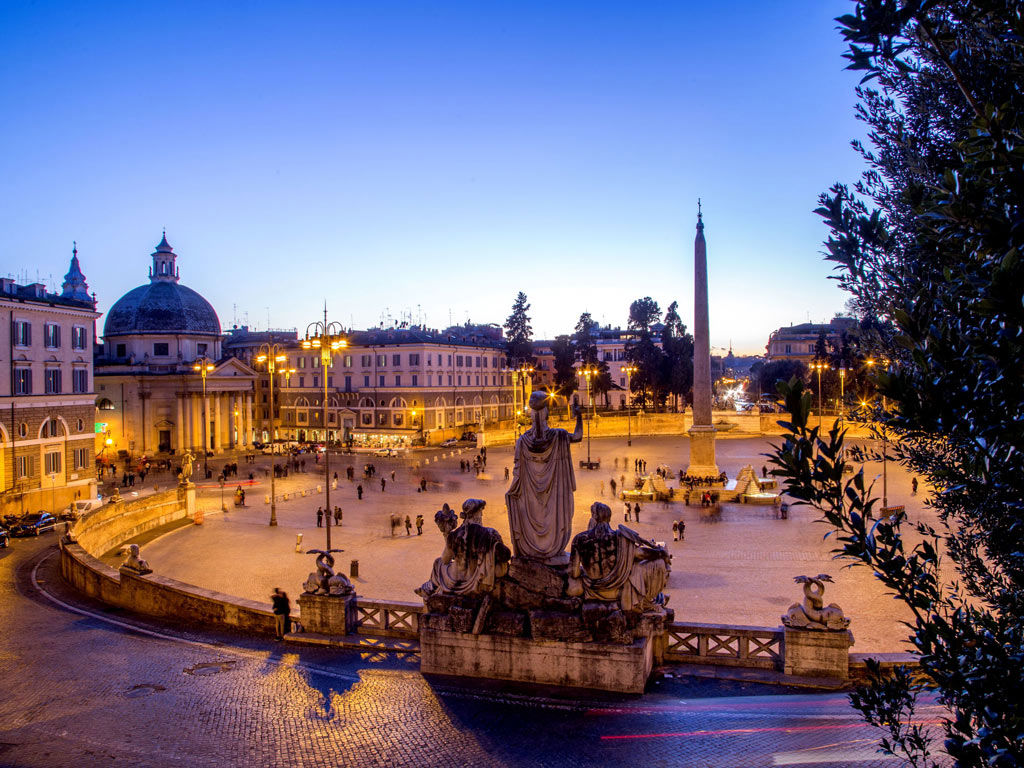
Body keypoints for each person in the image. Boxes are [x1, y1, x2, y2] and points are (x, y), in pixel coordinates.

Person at [505, 392, 584, 564]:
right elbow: (577, 436)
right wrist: (579, 417)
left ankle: (532, 548)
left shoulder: (523, 441)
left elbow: (517, 476)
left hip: (530, 503)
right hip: (555, 500)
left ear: (531, 414)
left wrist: (511, 493)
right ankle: (552, 548)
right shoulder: (559, 436)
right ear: (547, 413)